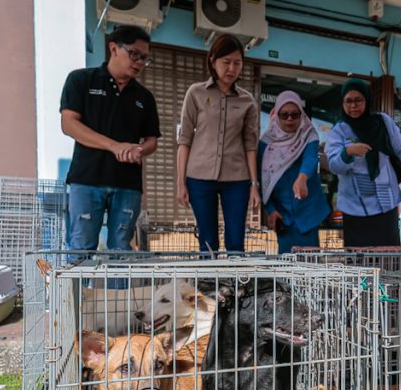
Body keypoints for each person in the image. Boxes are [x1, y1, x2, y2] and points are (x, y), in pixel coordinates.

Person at [59, 25, 160, 252]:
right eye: (134, 54)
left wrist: (140, 150)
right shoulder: (81, 80)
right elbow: (69, 124)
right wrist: (114, 146)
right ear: (113, 48)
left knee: (121, 249)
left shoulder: (144, 97)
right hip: (86, 180)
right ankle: (76, 289)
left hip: (128, 185)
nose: (139, 63)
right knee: (80, 247)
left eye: (144, 58)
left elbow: (152, 140)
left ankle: (117, 290)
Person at [176, 34, 260, 253]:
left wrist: (254, 185)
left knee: (235, 240)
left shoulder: (247, 101)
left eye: (237, 63)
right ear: (213, 61)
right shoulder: (195, 93)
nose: (231, 68)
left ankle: (235, 286)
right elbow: (184, 139)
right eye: (226, 62)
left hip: (238, 180)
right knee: (207, 239)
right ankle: (208, 285)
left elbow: (250, 145)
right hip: (199, 178)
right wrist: (180, 182)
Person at [325, 78, 401, 248]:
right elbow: (334, 166)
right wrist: (348, 153)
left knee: (388, 256)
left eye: (358, 100)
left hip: (385, 203)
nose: (353, 105)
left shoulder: (382, 121)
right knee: (359, 260)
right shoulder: (339, 130)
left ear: (367, 100)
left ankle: (389, 277)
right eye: (348, 101)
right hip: (354, 207)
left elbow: (400, 149)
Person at [258, 91, 331, 254]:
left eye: (294, 114)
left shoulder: (309, 135)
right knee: (286, 267)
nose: (289, 119)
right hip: (283, 215)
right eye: (284, 115)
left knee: (310, 266)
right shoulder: (266, 143)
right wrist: (270, 210)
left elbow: (311, 158)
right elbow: (261, 180)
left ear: (301, 114)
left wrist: (302, 178)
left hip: (308, 211)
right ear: (276, 115)